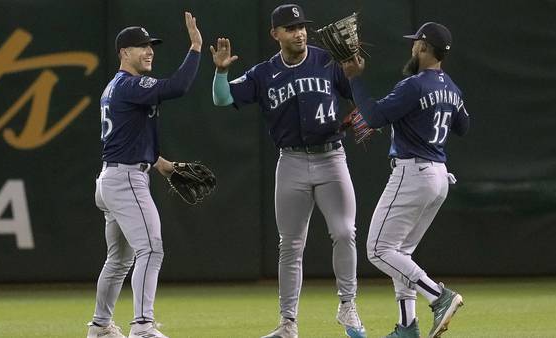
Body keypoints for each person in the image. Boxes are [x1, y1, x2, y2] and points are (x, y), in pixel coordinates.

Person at [210, 4, 366, 338]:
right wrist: (221, 72)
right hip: (292, 162)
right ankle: (288, 323)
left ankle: (347, 305)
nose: (300, 32)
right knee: (290, 245)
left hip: (331, 158)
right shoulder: (264, 73)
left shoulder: (327, 59)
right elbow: (222, 99)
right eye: (291, 27)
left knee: (344, 232)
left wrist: (354, 75)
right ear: (275, 34)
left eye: (302, 27)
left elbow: (355, 95)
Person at [341, 22, 469, 338]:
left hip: (413, 172)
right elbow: (463, 126)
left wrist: (355, 80)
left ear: (424, 48)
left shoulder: (413, 85)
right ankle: (406, 328)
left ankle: (439, 296)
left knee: (378, 250)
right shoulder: (451, 87)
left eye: (416, 43)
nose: (412, 47)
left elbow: (372, 116)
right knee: (400, 253)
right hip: (439, 177)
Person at [86, 12, 202, 338]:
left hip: (112, 176)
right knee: (150, 249)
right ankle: (142, 327)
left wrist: (160, 163)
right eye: (141, 47)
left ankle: (99, 327)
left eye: (150, 46)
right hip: (125, 180)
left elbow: (128, 138)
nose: (149, 51)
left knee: (118, 260)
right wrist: (195, 47)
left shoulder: (114, 88)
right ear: (124, 52)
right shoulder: (131, 84)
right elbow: (177, 86)